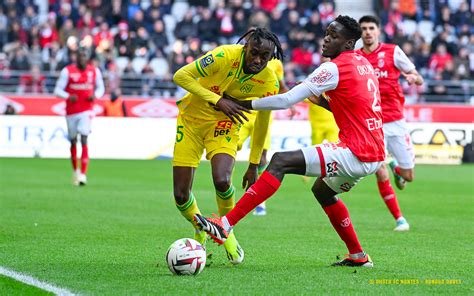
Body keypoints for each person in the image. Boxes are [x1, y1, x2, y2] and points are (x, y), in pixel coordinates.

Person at [195, 15, 384, 268]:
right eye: (327, 32)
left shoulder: (334, 68)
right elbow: (357, 107)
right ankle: (359, 256)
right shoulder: (363, 63)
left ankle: (225, 225)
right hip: (374, 153)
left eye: (334, 35)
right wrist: (327, 103)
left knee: (280, 161)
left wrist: (243, 103)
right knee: (322, 191)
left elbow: (286, 100)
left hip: (355, 152)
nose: (326, 38)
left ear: (348, 43)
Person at [172, 28, 284, 264]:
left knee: (222, 179)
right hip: (191, 121)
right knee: (181, 195)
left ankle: (226, 234)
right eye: (254, 53)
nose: (257, 60)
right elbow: (180, 76)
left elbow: (263, 123)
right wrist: (218, 100)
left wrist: (254, 164)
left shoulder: (268, 82)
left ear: (271, 57)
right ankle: (201, 227)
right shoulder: (223, 56)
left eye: (264, 57)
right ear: (246, 48)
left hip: (223, 124)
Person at [357, 15, 424, 231]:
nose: (367, 32)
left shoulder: (392, 51)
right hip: (371, 123)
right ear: (360, 33)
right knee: (379, 169)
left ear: (378, 31)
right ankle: (400, 219)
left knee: (409, 176)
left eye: (371, 28)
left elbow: (417, 75)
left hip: (396, 120)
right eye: (364, 28)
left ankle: (398, 169)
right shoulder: (356, 58)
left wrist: (414, 78)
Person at [237, 58, 289, 216]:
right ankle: (226, 189)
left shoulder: (276, 64)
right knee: (231, 147)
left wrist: (290, 102)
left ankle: (259, 200)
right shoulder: (240, 59)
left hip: (264, 114)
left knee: (261, 158)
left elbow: (281, 86)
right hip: (242, 113)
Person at [54, 46, 105, 186]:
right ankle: (75, 170)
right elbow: (57, 90)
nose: (82, 58)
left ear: (87, 58)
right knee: (73, 140)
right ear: (76, 57)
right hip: (71, 112)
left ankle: (83, 174)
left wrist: (96, 95)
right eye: (80, 55)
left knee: (84, 137)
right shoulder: (67, 71)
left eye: (85, 55)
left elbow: (101, 88)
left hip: (86, 110)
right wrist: (68, 96)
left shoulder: (94, 71)